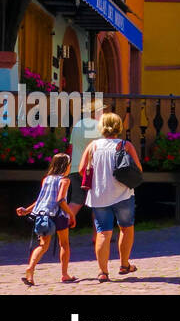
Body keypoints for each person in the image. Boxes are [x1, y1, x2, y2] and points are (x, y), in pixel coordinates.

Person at [79, 111, 143, 283]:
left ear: (101, 127)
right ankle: (124, 264)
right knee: (126, 228)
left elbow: (81, 169)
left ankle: (103, 272)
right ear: (118, 127)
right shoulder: (125, 145)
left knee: (103, 233)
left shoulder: (92, 146)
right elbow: (138, 169)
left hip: (99, 195)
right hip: (123, 194)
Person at [16, 152, 76, 285]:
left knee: (43, 245)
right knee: (64, 244)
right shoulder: (65, 180)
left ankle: (30, 269)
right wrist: (71, 214)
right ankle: (65, 274)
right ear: (65, 166)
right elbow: (60, 200)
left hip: (43, 215)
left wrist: (27, 210)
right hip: (59, 216)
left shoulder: (46, 179)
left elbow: (41, 200)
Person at [66, 98, 101, 222]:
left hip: (75, 167)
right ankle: (97, 237)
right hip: (92, 169)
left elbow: (71, 147)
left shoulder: (78, 125)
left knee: (76, 201)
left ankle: (62, 232)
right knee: (98, 204)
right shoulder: (98, 126)